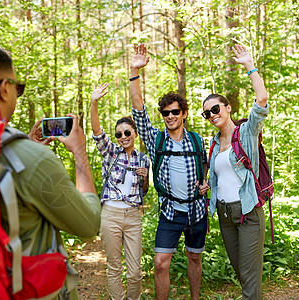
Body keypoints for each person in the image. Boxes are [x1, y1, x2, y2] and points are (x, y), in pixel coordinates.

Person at [0, 38, 101, 299]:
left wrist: (28, 147)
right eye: (17, 87)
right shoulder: (32, 159)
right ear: (4, 89)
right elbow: (88, 225)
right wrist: (79, 152)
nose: (17, 94)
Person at [129, 44, 209, 300]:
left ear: (184, 113)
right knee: (161, 263)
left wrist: (206, 183)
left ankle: (195, 298)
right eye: (166, 113)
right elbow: (138, 110)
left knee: (194, 258)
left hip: (197, 210)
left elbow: (205, 167)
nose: (170, 116)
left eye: (175, 111)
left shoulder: (197, 140)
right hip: (170, 211)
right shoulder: (156, 140)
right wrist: (134, 70)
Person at [202, 44, 268, 300]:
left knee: (249, 279)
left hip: (248, 212)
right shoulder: (214, 144)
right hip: (225, 214)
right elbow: (222, 177)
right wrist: (208, 186)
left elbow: (261, 101)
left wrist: (249, 65)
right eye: (207, 113)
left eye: (216, 109)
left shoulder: (247, 134)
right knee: (242, 272)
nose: (212, 115)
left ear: (228, 108)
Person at [90, 83, 150, 300]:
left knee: (135, 272)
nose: (123, 136)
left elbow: (144, 191)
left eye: (127, 132)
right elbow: (97, 131)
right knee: (114, 268)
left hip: (133, 215)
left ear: (134, 133)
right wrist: (94, 102)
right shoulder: (110, 152)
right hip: (111, 215)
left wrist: (145, 177)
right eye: (118, 134)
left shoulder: (143, 158)